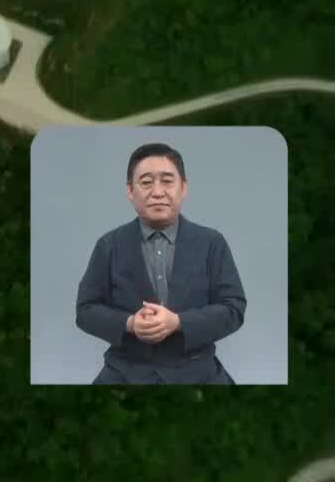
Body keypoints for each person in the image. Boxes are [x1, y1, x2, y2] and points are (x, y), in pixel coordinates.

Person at [73, 142, 246, 384]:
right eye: (146, 182)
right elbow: (85, 310)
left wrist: (178, 322)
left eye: (167, 181)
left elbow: (234, 309)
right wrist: (130, 324)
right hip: (125, 370)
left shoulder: (211, 243)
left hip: (197, 369)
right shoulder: (109, 245)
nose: (157, 192)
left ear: (184, 188)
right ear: (130, 191)